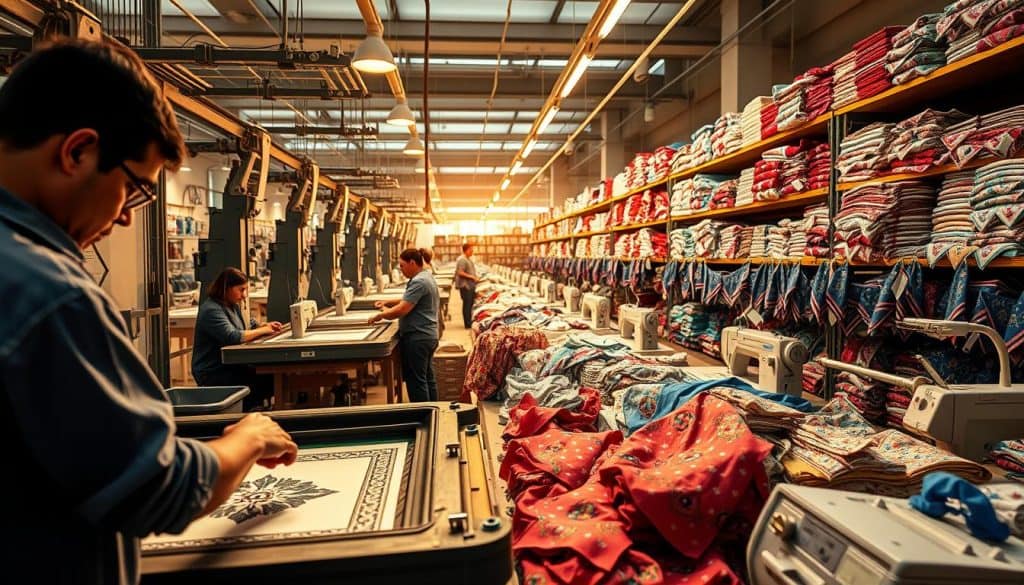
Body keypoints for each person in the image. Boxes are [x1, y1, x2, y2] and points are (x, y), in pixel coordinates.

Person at [0, 39, 297, 585]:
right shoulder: (47, 291)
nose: (127, 220)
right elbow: (158, 488)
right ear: (78, 153)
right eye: (135, 191)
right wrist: (249, 437)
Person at [192, 267, 282, 410]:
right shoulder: (212, 310)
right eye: (241, 290)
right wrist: (264, 330)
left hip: (231, 367)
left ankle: (256, 411)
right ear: (226, 288)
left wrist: (263, 325)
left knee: (272, 376)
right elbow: (233, 336)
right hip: (214, 373)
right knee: (269, 380)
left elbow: (247, 324)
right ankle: (250, 414)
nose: (244, 295)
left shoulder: (232, 306)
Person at [368, 248, 439, 402]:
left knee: (416, 382)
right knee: (427, 378)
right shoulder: (426, 276)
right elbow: (409, 300)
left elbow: (402, 309)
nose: (401, 270)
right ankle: (435, 413)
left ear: (412, 263)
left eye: (402, 265)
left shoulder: (419, 281)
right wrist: (387, 302)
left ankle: (423, 417)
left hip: (418, 338)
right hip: (427, 336)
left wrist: (380, 315)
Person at [455, 242, 480, 328]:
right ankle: (467, 324)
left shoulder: (468, 259)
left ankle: (469, 321)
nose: (473, 251)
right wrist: (472, 277)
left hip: (470, 285)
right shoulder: (462, 259)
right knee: (467, 304)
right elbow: (460, 272)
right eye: (471, 249)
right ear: (467, 250)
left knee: (470, 304)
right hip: (466, 286)